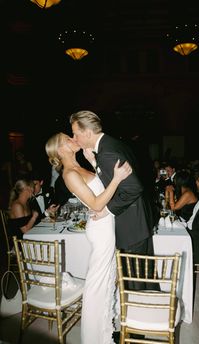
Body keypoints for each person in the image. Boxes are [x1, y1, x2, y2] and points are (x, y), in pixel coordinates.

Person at [45, 132, 132, 344]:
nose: (72, 138)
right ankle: (94, 338)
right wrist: (118, 178)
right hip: (100, 230)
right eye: (67, 139)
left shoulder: (78, 166)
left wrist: (94, 161)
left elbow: (97, 190)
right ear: (60, 150)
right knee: (97, 285)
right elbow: (95, 204)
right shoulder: (69, 174)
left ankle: (104, 330)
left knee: (105, 280)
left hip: (104, 225)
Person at [69, 110, 156, 269]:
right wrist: (94, 163)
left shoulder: (107, 152)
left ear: (88, 133)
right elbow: (111, 178)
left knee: (134, 280)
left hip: (131, 225)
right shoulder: (110, 144)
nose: (74, 139)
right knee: (140, 275)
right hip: (136, 221)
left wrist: (107, 210)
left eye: (75, 134)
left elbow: (133, 188)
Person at [8, 179, 39, 248]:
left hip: (28, 239)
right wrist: (34, 217)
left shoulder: (26, 203)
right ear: (27, 188)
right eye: (32, 187)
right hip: (20, 243)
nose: (33, 189)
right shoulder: (17, 206)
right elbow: (25, 230)